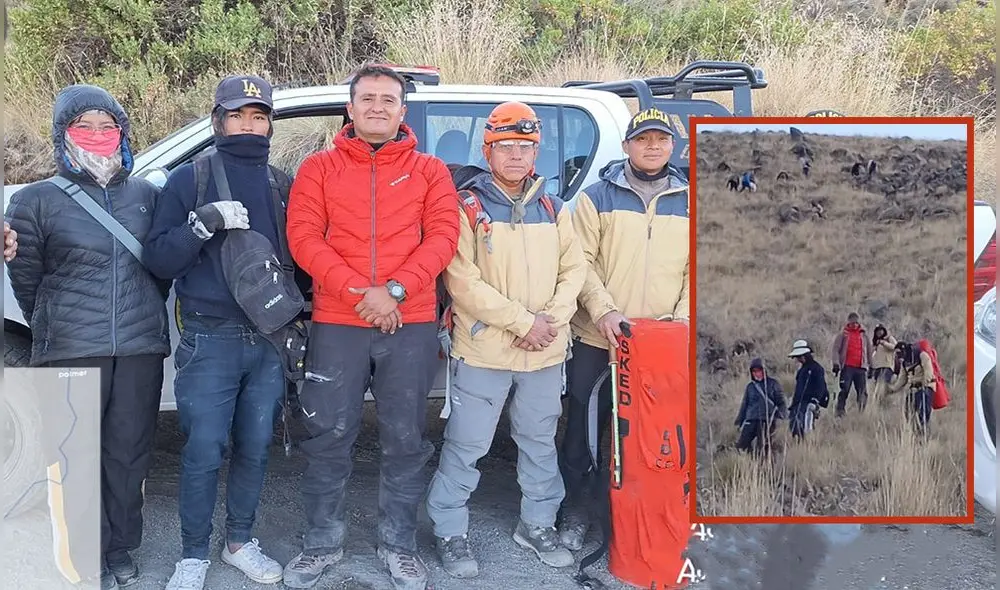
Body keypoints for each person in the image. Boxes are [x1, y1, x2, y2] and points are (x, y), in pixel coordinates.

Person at [281, 64, 461, 590]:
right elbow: (304, 239)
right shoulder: (318, 168)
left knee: (405, 439)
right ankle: (321, 543)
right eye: (367, 98)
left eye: (388, 99)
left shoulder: (431, 171)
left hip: (410, 322)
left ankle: (399, 546)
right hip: (339, 322)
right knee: (328, 435)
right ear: (351, 108)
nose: (378, 107)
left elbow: (443, 237)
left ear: (403, 111)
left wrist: (396, 292)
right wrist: (366, 295)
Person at [5, 84, 171, 589]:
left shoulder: (148, 195)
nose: (98, 136)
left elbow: (159, 269)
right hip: (73, 347)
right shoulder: (36, 201)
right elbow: (27, 279)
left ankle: (119, 549)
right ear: (63, 134)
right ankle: (81, 555)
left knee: (128, 453)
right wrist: (62, 324)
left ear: (122, 133)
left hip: (140, 347)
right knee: (73, 456)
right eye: (84, 126)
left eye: (108, 126)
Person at [425, 102, 587, 578]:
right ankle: (449, 530)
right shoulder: (467, 207)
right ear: (487, 150)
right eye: (505, 147)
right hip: (485, 350)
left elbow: (575, 270)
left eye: (525, 147)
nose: (516, 156)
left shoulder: (554, 208)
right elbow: (462, 282)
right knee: (466, 443)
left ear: (537, 152)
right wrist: (523, 323)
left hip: (543, 351)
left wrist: (549, 322)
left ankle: (537, 524)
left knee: (539, 442)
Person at [143, 74, 291, 590]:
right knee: (204, 449)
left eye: (258, 116)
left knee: (255, 446)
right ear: (217, 121)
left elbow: (300, 264)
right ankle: (192, 556)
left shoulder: (280, 181)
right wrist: (201, 224)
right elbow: (158, 259)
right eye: (237, 116)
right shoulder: (190, 180)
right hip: (210, 339)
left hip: (269, 340)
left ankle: (239, 544)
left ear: (270, 123)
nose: (248, 125)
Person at [557, 107, 689, 551]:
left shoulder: (693, 200)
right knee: (584, 426)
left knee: (652, 436)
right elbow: (581, 264)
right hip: (600, 336)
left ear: (675, 145)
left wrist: (682, 322)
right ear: (627, 145)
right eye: (643, 139)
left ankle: (633, 516)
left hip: (662, 345)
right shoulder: (596, 197)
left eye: (661, 139)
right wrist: (605, 312)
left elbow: (699, 267)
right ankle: (577, 508)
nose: (652, 146)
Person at [734, 358, 788, 455]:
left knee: (763, 447)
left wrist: (780, 417)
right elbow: (744, 405)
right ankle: (750, 461)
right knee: (741, 445)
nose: (756, 373)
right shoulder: (750, 387)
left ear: (764, 371)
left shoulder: (773, 384)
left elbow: (781, 402)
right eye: (754, 371)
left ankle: (763, 467)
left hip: (766, 420)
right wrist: (739, 421)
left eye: (758, 370)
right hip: (751, 419)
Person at [888, 341, 936, 436]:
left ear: (905, 350)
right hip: (913, 389)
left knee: (923, 414)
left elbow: (928, 372)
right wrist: (892, 389)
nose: (899, 356)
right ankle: (914, 434)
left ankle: (924, 436)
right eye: (897, 354)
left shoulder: (922, 355)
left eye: (900, 353)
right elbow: (902, 379)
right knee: (908, 413)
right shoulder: (904, 363)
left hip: (925, 388)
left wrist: (924, 384)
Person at [831, 312, 872, 416]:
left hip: (860, 368)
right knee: (844, 389)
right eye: (852, 323)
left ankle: (861, 412)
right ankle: (840, 412)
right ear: (848, 322)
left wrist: (871, 366)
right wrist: (836, 363)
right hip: (847, 367)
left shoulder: (864, 335)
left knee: (862, 392)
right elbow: (835, 349)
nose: (854, 325)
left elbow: (869, 351)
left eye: (856, 323)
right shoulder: (843, 334)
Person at [787, 340, 829, 439]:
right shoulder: (802, 370)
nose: (798, 359)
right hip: (798, 404)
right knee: (795, 428)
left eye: (799, 357)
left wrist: (815, 401)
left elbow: (821, 387)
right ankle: (799, 447)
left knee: (806, 429)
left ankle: (807, 448)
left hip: (808, 404)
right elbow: (798, 389)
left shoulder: (816, 369)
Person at [869, 324, 898, 402]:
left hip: (887, 366)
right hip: (877, 367)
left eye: (881, 330)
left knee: (883, 385)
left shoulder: (889, 338)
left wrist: (884, 343)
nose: (879, 332)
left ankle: (883, 401)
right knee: (876, 386)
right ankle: (878, 402)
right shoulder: (875, 342)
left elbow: (895, 347)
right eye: (877, 331)